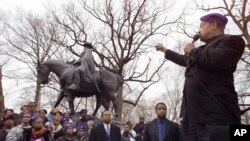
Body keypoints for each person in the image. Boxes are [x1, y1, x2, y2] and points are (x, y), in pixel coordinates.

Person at [155, 13, 245, 141]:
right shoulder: (201, 51)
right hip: (191, 118)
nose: (199, 30)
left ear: (213, 25)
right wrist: (165, 50)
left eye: (202, 26)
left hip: (217, 117)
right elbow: (183, 60)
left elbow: (217, 59)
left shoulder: (233, 41)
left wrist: (192, 50)